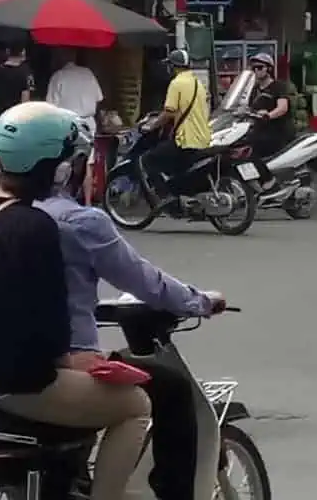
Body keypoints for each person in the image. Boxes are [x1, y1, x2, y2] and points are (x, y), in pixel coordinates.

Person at [0, 103, 150, 500]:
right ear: (57, 167)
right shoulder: (35, 227)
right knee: (135, 405)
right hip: (15, 384)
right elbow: (49, 329)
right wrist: (78, 361)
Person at [35, 109, 220, 500]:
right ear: (70, 167)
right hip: (41, 368)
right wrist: (199, 302)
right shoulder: (78, 222)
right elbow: (144, 280)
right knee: (163, 391)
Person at [145, 50, 212, 199]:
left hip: (185, 139)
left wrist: (152, 126)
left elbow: (169, 111)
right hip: (202, 137)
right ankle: (183, 198)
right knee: (178, 168)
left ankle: (165, 198)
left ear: (173, 66)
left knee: (149, 160)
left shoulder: (177, 83)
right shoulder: (197, 83)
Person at [242, 53, 295, 162]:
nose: (256, 70)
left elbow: (282, 107)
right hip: (259, 131)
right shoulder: (254, 89)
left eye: (260, 67)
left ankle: (268, 178)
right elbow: (249, 107)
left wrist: (268, 115)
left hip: (276, 133)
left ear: (269, 69)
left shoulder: (278, 86)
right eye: (254, 68)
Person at [46, 52, 106, 134]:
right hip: (88, 124)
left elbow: (50, 107)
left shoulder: (58, 76)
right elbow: (98, 99)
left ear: (59, 58)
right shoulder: (88, 72)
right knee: (87, 146)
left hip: (67, 125)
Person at [0, 43, 35, 111]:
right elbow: (25, 99)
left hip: (0, 113)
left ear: (7, 52)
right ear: (23, 52)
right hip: (17, 114)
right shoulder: (27, 73)